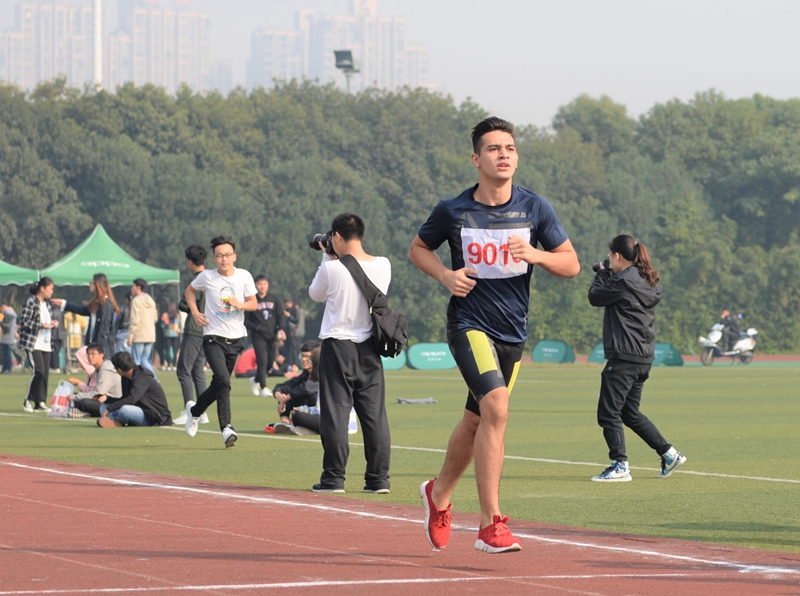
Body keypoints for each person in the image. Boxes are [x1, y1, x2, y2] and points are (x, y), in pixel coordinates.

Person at [409, 116, 580, 553]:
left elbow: (571, 264)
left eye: (510, 148)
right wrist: (446, 276)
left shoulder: (535, 208)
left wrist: (538, 255)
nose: (503, 155)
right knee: (497, 409)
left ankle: (438, 494)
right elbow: (418, 248)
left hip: (512, 334)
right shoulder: (453, 210)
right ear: (475, 159)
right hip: (469, 325)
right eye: (493, 148)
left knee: (477, 419)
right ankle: (490, 524)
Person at [588, 235, 687, 482]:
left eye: (610, 257)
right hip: (643, 358)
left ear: (617, 256)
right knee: (630, 413)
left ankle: (620, 465)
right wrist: (610, 272)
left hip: (624, 357)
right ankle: (669, 454)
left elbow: (594, 296)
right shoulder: (646, 281)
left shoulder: (621, 281)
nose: (609, 260)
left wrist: (603, 272)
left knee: (608, 413)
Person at [308, 212, 392, 494]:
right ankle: (378, 480)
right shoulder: (384, 264)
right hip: (370, 346)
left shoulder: (332, 268)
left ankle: (333, 479)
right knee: (374, 416)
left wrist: (326, 256)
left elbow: (315, 294)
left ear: (337, 236)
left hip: (338, 346)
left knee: (336, 414)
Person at [183, 235, 257, 448]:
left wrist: (239, 304)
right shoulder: (207, 277)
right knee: (224, 380)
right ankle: (227, 428)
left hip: (236, 338)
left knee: (219, 383)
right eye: (219, 255)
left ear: (234, 256)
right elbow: (189, 291)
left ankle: (195, 411)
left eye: (227, 255)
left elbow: (253, 303)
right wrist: (195, 312)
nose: (224, 259)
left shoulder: (244, 276)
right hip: (213, 337)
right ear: (214, 258)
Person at [174, 244, 210, 426]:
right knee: (198, 370)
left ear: (189, 262)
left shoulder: (196, 281)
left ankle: (190, 410)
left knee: (183, 370)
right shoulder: (212, 279)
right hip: (208, 330)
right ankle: (202, 412)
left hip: (194, 330)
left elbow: (183, 304)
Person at [54, 273, 120, 361]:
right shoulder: (96, 303)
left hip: (101, 351)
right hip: (94, 346)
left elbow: (104, 331)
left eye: (91, 283)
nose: (90, 285)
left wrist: (99, 351)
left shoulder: (106, 305)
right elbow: (81, 310)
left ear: (97, 285)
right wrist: (63, 303)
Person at [98, 351, 172, 428]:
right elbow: (125, 398)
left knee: (125, 410)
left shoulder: (142, 377)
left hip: (155, 416)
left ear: (119, 370)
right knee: (104, 406)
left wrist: (110, 408)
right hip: (140, 409)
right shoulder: (125, 377)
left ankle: (116, 420)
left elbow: (132, 399)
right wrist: (107, 399)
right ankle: (113, 420)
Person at [18, 278, 60, 412]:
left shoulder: (47, 304)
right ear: (42, 288)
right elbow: (24, 321)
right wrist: (41, 325)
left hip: (46, 343)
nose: (52, 292)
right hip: (33, 343)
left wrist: (53, 323)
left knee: (45, 374)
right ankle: (27, 400)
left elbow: (47, 320)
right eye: (51, 289)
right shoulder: (31, 301)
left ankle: (40, 402)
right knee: (38, 371)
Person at [266, 344, 322, 435]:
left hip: (325, 417)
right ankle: (285, 421)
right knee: (286, 390)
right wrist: (279, 396)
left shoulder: (324, 373)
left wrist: (287, 397)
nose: (303, 359)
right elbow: (283, 386)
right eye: (302, 356)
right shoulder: (305, 374)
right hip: (311, 412)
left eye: (308, 357)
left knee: (298, 416)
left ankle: (298, 425)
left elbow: (306, 388)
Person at [244, 275, 285, 397]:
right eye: (259, 284)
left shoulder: (274, 299)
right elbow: (245, 320)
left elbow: (280, 316)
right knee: (262, 360)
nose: (262, 286)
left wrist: (281, 329)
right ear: (255, 285)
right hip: (258, 336)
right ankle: (264, 387)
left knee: (270, 362)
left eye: (264, 284)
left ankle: (256, 379)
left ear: (268, 285)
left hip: (272, 336)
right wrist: (256, 328)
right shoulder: (251, 300)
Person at [68, 342, 123, 418]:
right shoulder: (98, 369)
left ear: (101, 355)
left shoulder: (106, 370)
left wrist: (75, 397)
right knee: (77, 397)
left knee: (83, 402)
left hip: (113, 403)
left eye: (93, 354)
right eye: (88, 354)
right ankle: (82, 410)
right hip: (104, 399)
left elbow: (97, 393)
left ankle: (85, 412)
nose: (90, 357)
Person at [127, 278, 158, 375]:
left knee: (136, 360)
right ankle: (153, 380)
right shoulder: (151, 300)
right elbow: (155, 317)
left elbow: (135, 320)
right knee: (145, 359)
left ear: (138, 287)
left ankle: (138, 380)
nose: (132, 288)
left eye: (133, 286)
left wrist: (130, 336)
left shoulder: (136, 301)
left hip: (139, 335)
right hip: (150, 335)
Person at [160, 302, 181, 370]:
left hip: (167, 334)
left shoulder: (165, 315)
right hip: (176, 334)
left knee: (168, 350)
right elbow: (180, 323)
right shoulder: (177, 315)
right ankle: (174, 365)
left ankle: (169, 365)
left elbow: (162, 325)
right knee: (175, 350)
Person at [0, 301, 18, 374]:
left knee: (7, 354)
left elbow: (6, 325)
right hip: (8, 337)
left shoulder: (8, 314)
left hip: (7, 337)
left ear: (3, 306)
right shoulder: (11, 313)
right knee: (6, 353)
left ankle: (8, 368)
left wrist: (0, 323)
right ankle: (5, 369)